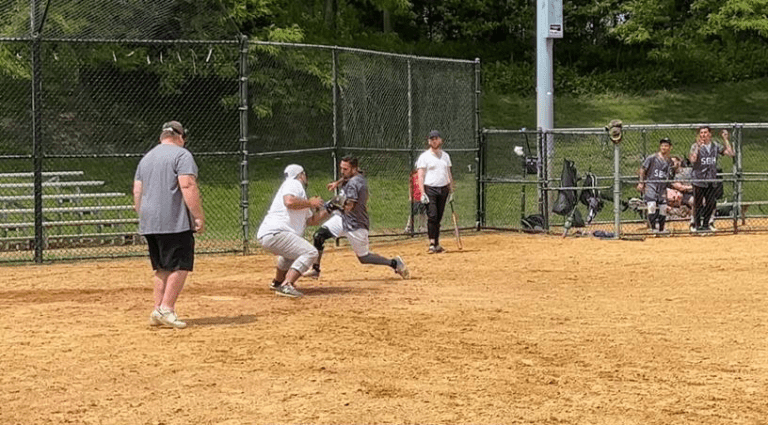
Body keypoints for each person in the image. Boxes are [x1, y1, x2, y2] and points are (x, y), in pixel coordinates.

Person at [133, 121, 205, 329]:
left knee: (162, 267)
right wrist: (198, 216)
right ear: (180, 137)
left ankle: (158, 309)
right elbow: (187, 184)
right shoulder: (182, 155)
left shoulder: (146, 158)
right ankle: (167, 308)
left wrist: (143, 213)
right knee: (180, 265)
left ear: (162, 136)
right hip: (174, 221)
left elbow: (137, 191)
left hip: (150, 221)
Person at [305, 156, 410, 280]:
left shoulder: (355, 183)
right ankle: (315, 269)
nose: (342, 171)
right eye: (341, 168)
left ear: (354, 169)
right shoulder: (353, 175)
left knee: (364, 258)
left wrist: (332, 204)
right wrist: (337, 183)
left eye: (345, 169)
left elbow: (349, 206)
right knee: (319, 236)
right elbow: (346, 178)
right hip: (342, 218)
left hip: (356, 224)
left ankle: (394, 263)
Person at [256, 164, 330, 298]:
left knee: (289, 255)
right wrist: (310, 203)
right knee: (310, 252)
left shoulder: (299, 195)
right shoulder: (294, 183)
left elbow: (311, 220)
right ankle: (286, 285)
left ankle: (278, 282)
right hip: (276, 231)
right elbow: (289, 202)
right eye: (304, 174)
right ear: (301, 175)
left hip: (271, 233)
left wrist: (330, 209)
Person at [689, 126, 734, 232]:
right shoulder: (695, 146)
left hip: (711, 179)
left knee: (710, 203)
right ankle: (696, 225)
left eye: (705, 132)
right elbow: (692, 160)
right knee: (698, 203)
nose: (703, 135)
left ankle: (705, 225)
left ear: (710, 134)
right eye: (701, 133)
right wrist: (698, 148)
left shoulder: (715, 146)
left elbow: (731, 153)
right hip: (699, 179)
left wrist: (725, 139)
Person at [416, 130, 454, 253]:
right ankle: (432, 243)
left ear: (440, 140)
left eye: (436, 138)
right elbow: (420, 176)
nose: (434, 141)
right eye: (432, 139)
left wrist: (451, 190)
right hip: (430, 189)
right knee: (432, 215)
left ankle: (437, 243)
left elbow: (448, 174)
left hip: (443, 189)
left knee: (439, 217)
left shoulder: (445, 156)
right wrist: (422, 192)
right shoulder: (424, 157)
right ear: (429, 141)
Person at [636, 137, 672, 233]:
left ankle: (661, 228)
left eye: (666, 145)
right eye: (662, 145)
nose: (664, 147)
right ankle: (653, 228)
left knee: (663, 207)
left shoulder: (669, 161)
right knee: (651, 205)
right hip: (651, 184)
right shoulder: (652, 158)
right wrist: (641, 182)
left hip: (662, 186)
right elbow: (643, 169)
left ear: (670, 148)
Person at [404, 168, 427, 233]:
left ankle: (422, 227)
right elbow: (410, 186)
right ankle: (409, 227)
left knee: (423, 213)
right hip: (415, 197)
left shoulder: (424, 174)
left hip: (422, 196)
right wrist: (410, 196)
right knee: (413, 213)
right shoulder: (413, 175)